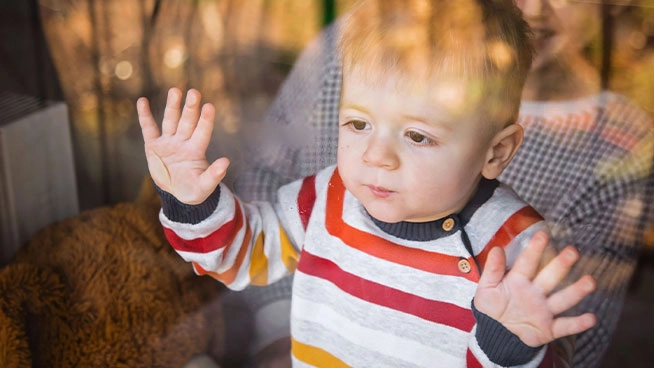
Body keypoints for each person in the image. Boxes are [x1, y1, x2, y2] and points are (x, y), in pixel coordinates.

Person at [137, 0, 599, 366]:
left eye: (417, 135)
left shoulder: (518, 252)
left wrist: (512, 344)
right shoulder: (326, 198)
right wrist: (192, 200)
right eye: (358, 124)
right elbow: (240, 256)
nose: (377, 156)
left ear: (496, 152)